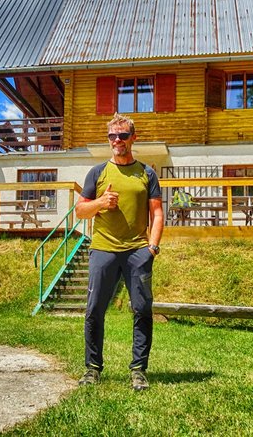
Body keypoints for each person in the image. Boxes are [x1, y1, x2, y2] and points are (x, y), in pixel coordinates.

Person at [75, 113, 164, 391]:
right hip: (103, 249)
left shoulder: (147, 173)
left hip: (138, 250)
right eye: (112, 136)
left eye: (123, 136)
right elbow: (80, 210)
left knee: (142, 310)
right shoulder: (97, 172)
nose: (117, 141)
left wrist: (152, 246)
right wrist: (101, 202)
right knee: (94, 310)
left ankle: (138, 370)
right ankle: (93, 368)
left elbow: (157, 213)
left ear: (133, 138)